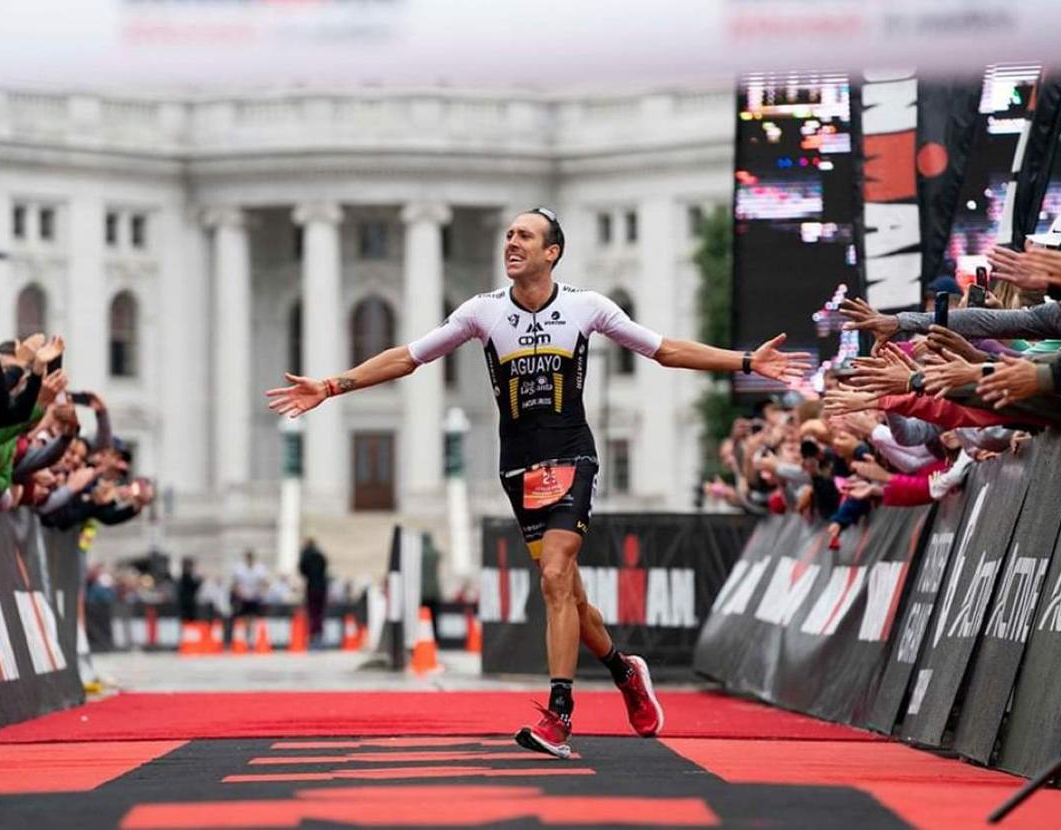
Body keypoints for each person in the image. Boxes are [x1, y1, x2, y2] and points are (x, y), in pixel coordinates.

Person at [267, 207, 809, 758]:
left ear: (552, 252)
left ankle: (559, 716)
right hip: (519, 470)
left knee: (553, 577)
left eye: (524, 236)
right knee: (568, 596)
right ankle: (625, 672)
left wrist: (745, 361)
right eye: (508, 235)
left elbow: (664, 350)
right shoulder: (483, 312)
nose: (511, 243)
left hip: (572, 457)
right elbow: (409, 358)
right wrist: (332, 385)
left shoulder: (584, 307)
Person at [298, 538, 329, 645]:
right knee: (320, 613)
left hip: (312, 588)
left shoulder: (306, 557)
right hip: (322, 587)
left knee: (312, 613)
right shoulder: (320, 556)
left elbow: (302, 570)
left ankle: (313, 634)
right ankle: (319, 634)